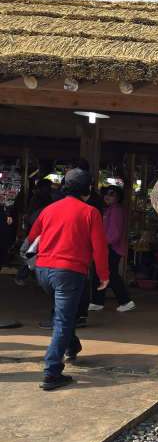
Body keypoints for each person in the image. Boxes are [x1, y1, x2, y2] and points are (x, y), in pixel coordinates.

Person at [28, 168, 109, 390]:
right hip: (69, 272)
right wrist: (103, 275)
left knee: (65, 313)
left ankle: (72, 346)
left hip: (43, 270)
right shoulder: (91, 212)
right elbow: (100, 247)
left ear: (63, 187)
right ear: (88, 189)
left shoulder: (49, 209)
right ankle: (52, 372)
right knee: (63, 319)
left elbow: (33, 237)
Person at [39, 158, 102, 329]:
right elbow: (99, 241)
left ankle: (61, 321)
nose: (65, 171)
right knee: (79, 283)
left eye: (68, 168)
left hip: (58, 251)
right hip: (80, 253)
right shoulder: (94, 199)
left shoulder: (62, 194)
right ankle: (78, 318)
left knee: (62, 294)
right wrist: (103, 272)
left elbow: (39, 231)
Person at [89, 185, 135, 312]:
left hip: (111, 248)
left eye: (112, 194)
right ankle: (97, 301)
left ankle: (126, 301)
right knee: (99, 272)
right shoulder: (106, 210)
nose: (108, 196)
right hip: (105, 247)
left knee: (110, 273)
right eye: (106, 193)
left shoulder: (116, 211)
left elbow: (115, 231)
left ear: (119, 197)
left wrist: (107, 246)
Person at [15, 178, 54, 286]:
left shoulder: (47, 197)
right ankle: (20, 276)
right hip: (35, 228)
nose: (50, 188)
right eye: (47, 186)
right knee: (31, 252)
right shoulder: (38, 198)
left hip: (41, 227)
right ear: (41, 187)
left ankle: (34, 275)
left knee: (37, 252)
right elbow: (39, 213)